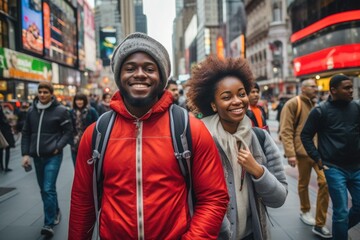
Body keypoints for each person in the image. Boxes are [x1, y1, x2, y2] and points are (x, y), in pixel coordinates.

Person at [69, 32, 229, 239]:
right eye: (130, 68)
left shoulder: (190, 129)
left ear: (161, 77)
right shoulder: (96, 134)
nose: (140, 74)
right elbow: (83, 202)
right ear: (119, 76)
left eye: (149, 68)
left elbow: (214, 198)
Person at [186, 55, 288, 240]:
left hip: (252, 234)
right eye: (226, 97)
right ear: (213, 105)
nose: (237, 101)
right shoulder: (198, 139)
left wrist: (257, 171)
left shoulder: (261, 138)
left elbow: (279, 198)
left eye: (241, 94)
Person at [301, 74, 360, 240]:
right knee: (340, 211)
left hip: (356, 167)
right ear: (333, 90)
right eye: (346, 88)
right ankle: (340, 233)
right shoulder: (320, 111)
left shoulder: (356, 107)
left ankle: (339, 231)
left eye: (351, 87)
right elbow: (305, 135)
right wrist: (317, 159)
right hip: (333, 168)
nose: (351, 90)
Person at [279, 79, 331, 238]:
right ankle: (305, 210)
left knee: (325, 182)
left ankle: (320, 220)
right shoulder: (293, 104)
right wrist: (291, 153)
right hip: (301, 152)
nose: (317, 89)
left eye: (317, 87)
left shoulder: (316, 105)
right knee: (303, 183)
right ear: (303, 88)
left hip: (317, 152)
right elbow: (286, 130)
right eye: (313, 86)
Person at [21, 81, 73, 238]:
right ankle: (55, 211)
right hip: (37, 157)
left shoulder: (61, 110)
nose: (42, 95)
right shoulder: (31, 111)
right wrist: (25, 154)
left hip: (53, 156)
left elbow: (68, 131)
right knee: (44, 189)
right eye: (40, 92)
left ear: (51, 93)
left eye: (45, 92)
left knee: (48, 187)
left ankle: (48, 224)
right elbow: (26, 133)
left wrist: (58, 146)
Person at [69, 93, 98, 165]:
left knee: (88, 167)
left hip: (88, 143)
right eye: (77, 100)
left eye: (81, 100)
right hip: (75, 144)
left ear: (84, 101)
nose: (79, 102)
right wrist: (70, 141)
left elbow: (97, 125)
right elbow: (68, 128)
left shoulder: (91, 111)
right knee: (76, 167)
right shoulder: (71, 112)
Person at [0, 104, 15, 172]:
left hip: (3, 132)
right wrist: (9, 120)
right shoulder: (3, 111)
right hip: (5, 132)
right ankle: (5, 167)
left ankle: (2, 167)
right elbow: (4, 121)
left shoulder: (2, 110)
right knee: (7, 149)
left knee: (1, 150)